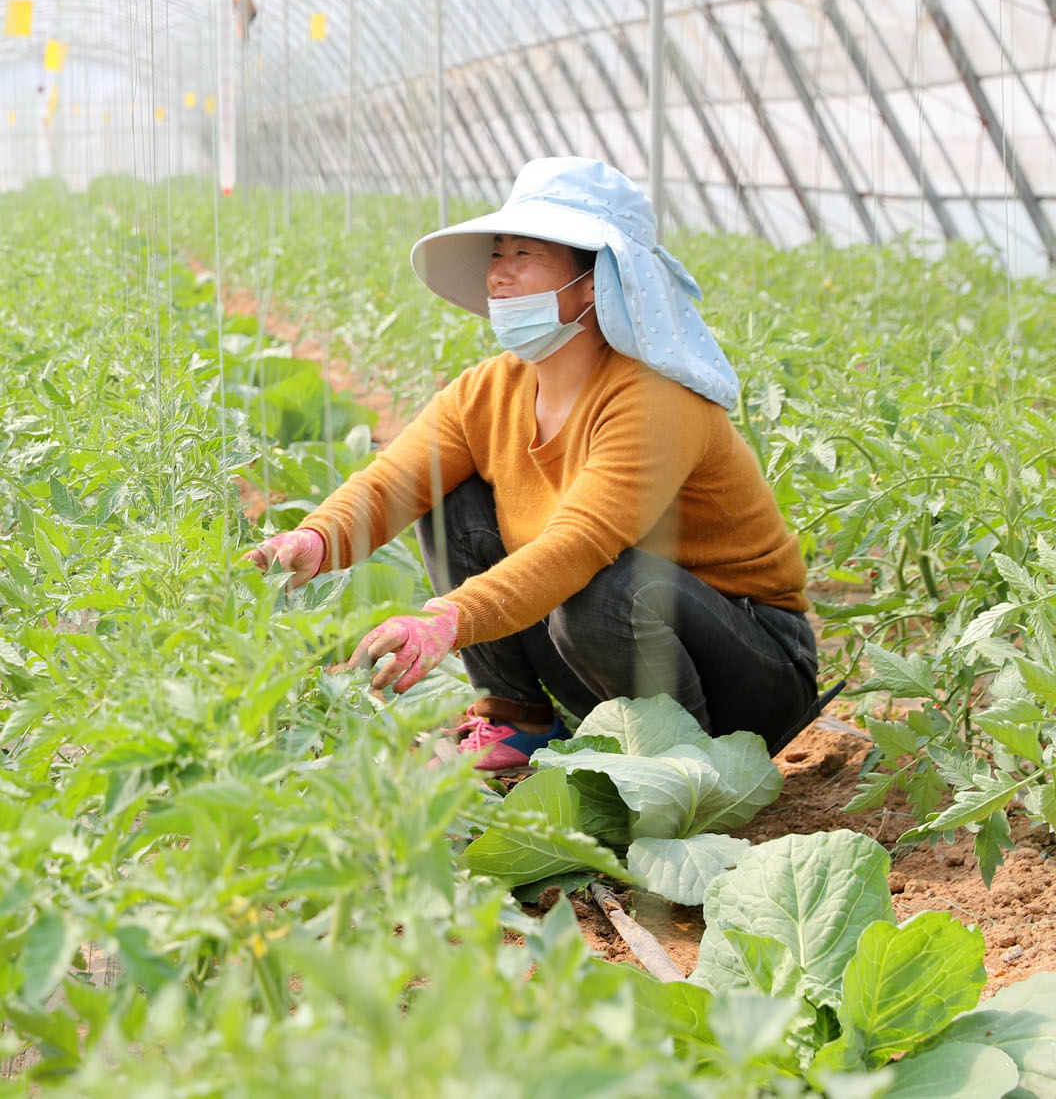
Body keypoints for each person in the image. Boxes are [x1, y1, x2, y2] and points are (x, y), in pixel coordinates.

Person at [245, 157, 818, 769]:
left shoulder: (654, 399)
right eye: (498, 255)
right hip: (614, 644)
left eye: (527, 256)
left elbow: (581, 542)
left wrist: (448, 618)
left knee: (602, 586)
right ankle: (518, 719)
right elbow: (395, 481)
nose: (499, 277)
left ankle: (679, 768)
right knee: (449, 496)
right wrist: (315, 539)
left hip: (751, 666)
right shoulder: (490, 390)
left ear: (595, 280)